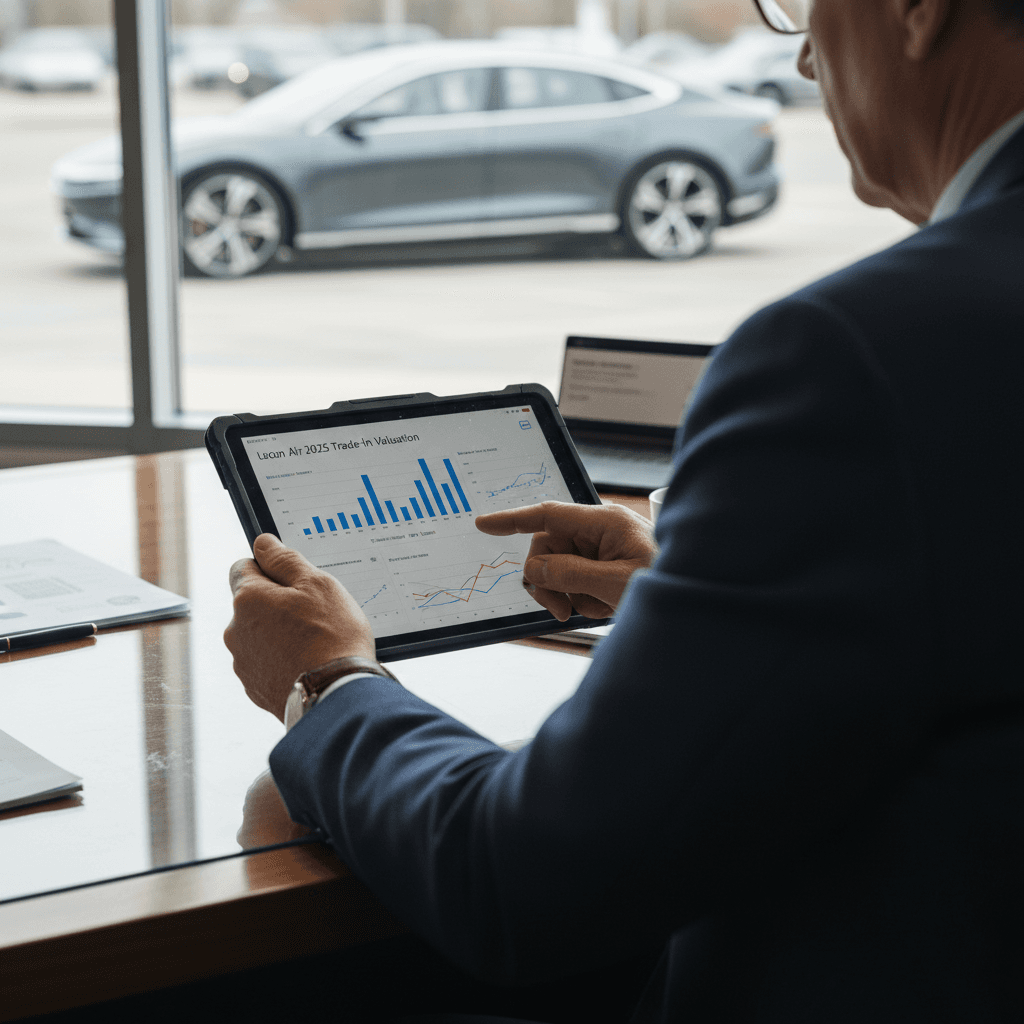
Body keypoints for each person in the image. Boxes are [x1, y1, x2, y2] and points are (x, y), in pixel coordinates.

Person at [224, 0, 1024, 1020]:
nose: (807, 49)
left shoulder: (849, 357)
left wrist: (326, 683)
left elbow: (519, 883)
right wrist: (724, 597)